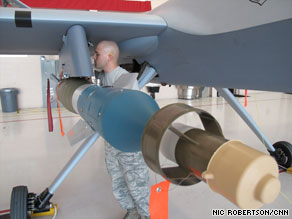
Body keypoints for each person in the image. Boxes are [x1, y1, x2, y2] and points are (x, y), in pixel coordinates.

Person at [93, 40, 150, 219]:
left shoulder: (125, 80)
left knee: (136, 183)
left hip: (127, 142)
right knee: (117, 180)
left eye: (97, 54)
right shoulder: (102, 78)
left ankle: (146, 215)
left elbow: (134, 113)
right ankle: (131, 211)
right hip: (111, 140)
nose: (94, 57)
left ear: (109, 57)